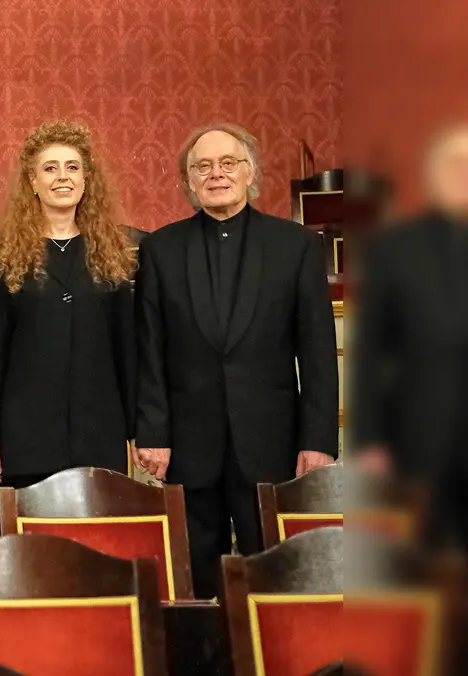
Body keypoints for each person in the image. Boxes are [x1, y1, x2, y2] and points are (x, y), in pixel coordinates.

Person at [135, 123, 338, 598]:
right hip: (187, 445)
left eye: (228, 163)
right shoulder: (161, 250)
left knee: (274, 573)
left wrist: (319, 440)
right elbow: (150, 350)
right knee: (195, 580)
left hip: (272, 443)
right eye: (202, 166)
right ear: (188, 181)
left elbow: (317, 354)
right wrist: (153, 433)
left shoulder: (297, 246)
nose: (216, 174)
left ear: (250, 173)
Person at [0, 122, 138, 488]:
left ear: (86, 179)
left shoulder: (116, 254)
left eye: (72, 167)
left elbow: (127, 349)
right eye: (50, 168)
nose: (62, 177)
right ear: (32, 181)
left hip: (100, 432)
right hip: (27, 435)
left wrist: (134, 430)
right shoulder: (2, 257)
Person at [351, 124, 468, 549]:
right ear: (433, 176)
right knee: (425, 561)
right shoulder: (394, 248)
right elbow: (368, 352)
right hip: (419, 435)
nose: (462, 175)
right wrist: (369, 439)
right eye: (453, 166)